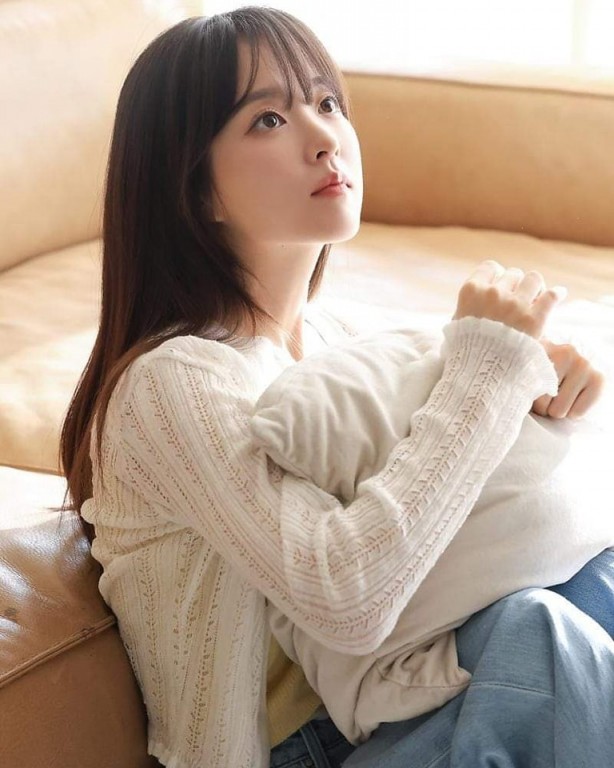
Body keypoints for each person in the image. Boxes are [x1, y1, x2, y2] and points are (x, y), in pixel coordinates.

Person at [59, 7, 614, 768]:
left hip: (396, 699)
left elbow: (445, 512)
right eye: (267, 120)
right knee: (538, 644)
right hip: (303, 750)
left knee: (589, 581)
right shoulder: (171, 383)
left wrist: (538, 387)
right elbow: (347, 598)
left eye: (326, 102)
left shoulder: (336, 337)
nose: (325, 138)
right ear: (194, 190)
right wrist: (485, 373)